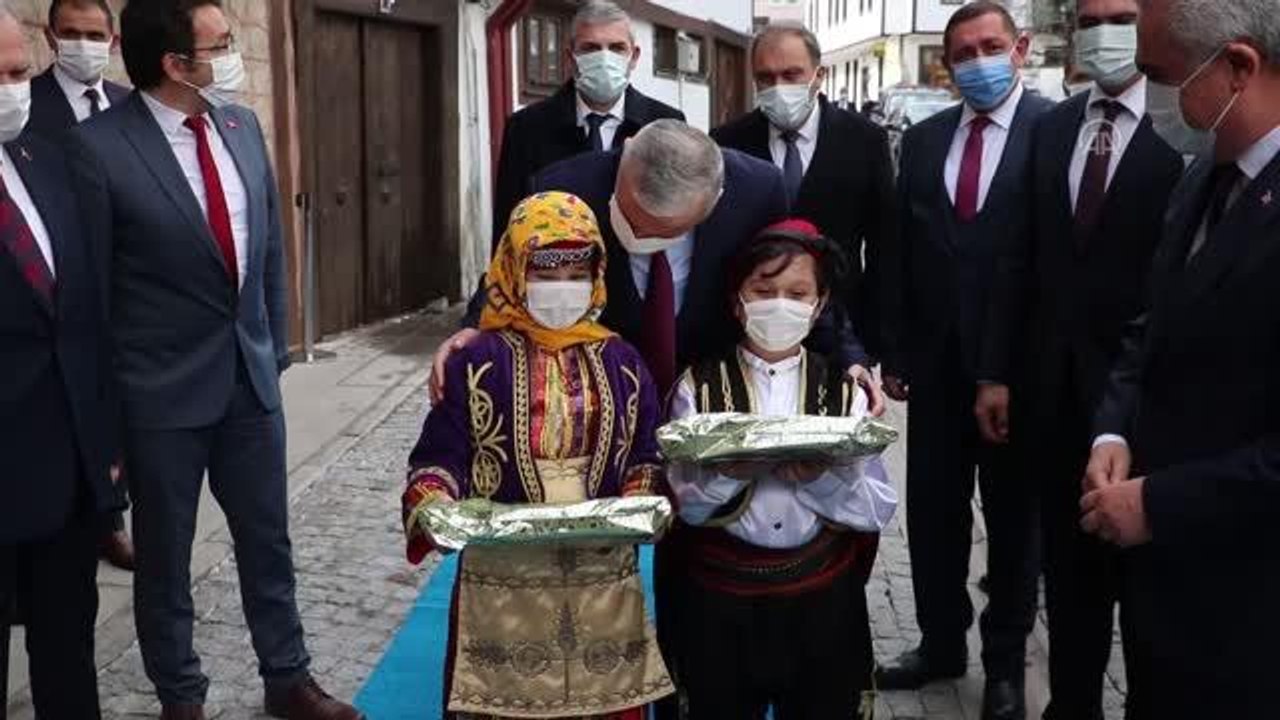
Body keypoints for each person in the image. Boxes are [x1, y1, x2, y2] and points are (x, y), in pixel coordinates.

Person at [433, 119, 881, 720]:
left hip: (709, 384)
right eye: (630, 222)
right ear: (619, 174)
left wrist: (848, 360)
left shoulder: (758, 189)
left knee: (694, 559)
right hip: (601, 386)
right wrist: (475, 325)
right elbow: (517, 259)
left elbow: (792, 277)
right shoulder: (567, 183)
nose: (640, 237)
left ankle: (688, 680)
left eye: (661, 232)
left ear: (713, 206)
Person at [66, 1, 361, 718]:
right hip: (159, 397)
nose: (232, 57)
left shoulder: (240, 124)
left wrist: (273, 348)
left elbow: (266, 252)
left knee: (269, 540)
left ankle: (286, 677)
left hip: (248, 383)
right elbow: (92, 294)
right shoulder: (100, 148)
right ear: (175, 64)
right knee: (164, 562)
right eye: (220, 45)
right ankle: (182, 697)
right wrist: (106, 419)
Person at [402, 191, 673, 718]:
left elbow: (645, 454)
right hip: (503, 579)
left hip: (601, 575)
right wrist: (434, 503)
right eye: (546, 273)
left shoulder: (623, 361)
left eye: (577, 274)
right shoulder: (477, 360)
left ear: (597, 274)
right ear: (514, 267)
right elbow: (441, 454)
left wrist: (640, 504)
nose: (562, 289)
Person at [1082, 0, 1280, 717]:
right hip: (1165, 600)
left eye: (1158, 74)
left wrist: (1158, 504)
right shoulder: (1201, 177)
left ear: (1236, 68)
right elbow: (1150, 329)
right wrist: (1114, 431)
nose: (1149, 96)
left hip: (1251, 611)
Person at [1003, 1, 1183, 718]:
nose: (1103, 30)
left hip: (1151, 403)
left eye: (1121, 14)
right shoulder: (1054, 129)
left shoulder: (1188, 130)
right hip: (1055, 395)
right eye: (1089, 16)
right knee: (1070, 575)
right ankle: (1070, 704)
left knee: (1143, 588)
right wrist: (1000, 371)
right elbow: (1021, 260)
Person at [877, 3, 1053, 719]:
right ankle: (940, 641)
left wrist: (1009, 368)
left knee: (1014, 521)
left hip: (1017, 371)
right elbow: (897, 250)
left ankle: (1005, 663)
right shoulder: (922, 142)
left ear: (1020, 48)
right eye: (963, 53)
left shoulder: (1054, 133)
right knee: (934, 514)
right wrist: (895, 348)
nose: (978, 62)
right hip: (937, 366)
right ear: (945, 65)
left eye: (991, 46)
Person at [666, 220, 898, 718]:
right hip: (721, 600)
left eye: (797, 293)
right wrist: (732, 471)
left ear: (818, 305)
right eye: (764, 291)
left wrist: (822, 480)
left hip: (819, 596)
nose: (780, 305)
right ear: (737, 301)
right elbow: (682, 502)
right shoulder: (698, 388)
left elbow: (876, 507)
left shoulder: (844, 393)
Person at [0, 5, 118, 716]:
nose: (17, 89)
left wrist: (106, 450)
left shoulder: (40, 158)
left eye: (19, 71)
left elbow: (85, 312)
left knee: (67, 650)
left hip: (66, 473)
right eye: (2, 75)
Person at [713, 22, 897, 358]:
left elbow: (885, 248)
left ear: (819, 74)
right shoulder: (727, 143)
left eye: (791, 75)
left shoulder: (865, 140)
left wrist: (879, 340)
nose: (777, 87)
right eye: (765, 78)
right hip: (751, 329)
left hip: (840, 332)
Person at [29, 0, 134, 572]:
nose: (83, 44)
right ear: (50, 36)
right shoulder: (26, 106)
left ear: (113, 41)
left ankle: (110, 515)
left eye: (94, 34)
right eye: (71, 33)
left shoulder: (126, 105)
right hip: (59, 288)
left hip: (122, 286)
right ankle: (85, 525)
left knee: (114, 411)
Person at [491, 0, 682, 250]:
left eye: (616, 48)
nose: (604, 58)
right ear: (571, 56)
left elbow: (677, 214)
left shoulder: (665, 124)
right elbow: (510, 219)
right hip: (560, 273)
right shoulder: (527, 127)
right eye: (591, 48)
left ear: (633, 56)